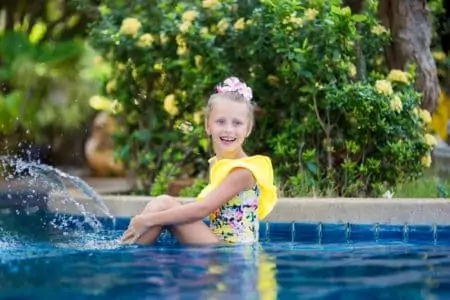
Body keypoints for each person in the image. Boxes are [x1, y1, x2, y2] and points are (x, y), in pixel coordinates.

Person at [120, 76, 278, 245]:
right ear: (208, 125)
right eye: (220, 121)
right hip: (219, 247)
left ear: (248, 129)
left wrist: (147, 220)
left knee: (162, 204)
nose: (228, 129)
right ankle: (130, 249)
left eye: (237, 123)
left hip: (232, 256)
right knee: (163, 204)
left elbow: (202, 209)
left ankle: (126, 252)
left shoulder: (243, 171)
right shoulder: (218, 164)